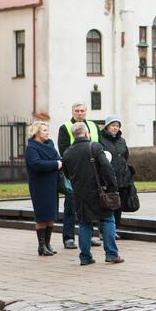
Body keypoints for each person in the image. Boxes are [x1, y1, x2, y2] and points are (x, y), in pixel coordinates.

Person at [62, 122, 123, 265]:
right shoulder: (94, 147)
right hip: (98, 191)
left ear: (73, 135)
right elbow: (106, 168)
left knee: (84, 224)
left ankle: (85, 257)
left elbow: (66, 173)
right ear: (86, 133)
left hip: (79, 194)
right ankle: (111, 254)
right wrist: (113, 186)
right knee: (107, 220)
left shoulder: (68, 152)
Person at [57, 101, 102, 249]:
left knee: (90, 206)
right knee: (70, 206)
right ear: (72, 112)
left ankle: (88, 236)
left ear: (86, 112)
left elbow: (100, 146)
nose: (80, 113)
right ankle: (68, 238)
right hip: (75, 172)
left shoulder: (93, 126)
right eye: (77, 111)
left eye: (82, 110)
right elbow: (63, 150)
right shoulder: (65, 127)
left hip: (92, 171)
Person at [24, 121, 63, 256]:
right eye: (44, 130)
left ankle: (48, 244)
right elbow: (36, 164)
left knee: (51, 215)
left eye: (47, 130)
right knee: (42, 216)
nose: (47, 132)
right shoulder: (31, 148)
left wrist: (58, 162)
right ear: (36, 132)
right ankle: (41, 246)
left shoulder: (50, 144)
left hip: (52, 183)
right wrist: (55, 164)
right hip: (39, 185)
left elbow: (59, 159)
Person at [100, 115, 132, 232]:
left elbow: (125, 156)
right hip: (107, 177)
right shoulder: (100, 139)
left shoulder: (121, 141)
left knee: (118, 205)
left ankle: (115, 229)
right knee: (107, 205)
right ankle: (105, 231)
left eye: (117, 126)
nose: (115, 128)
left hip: (121, 177)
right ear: (107, 126)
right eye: (113, 125)